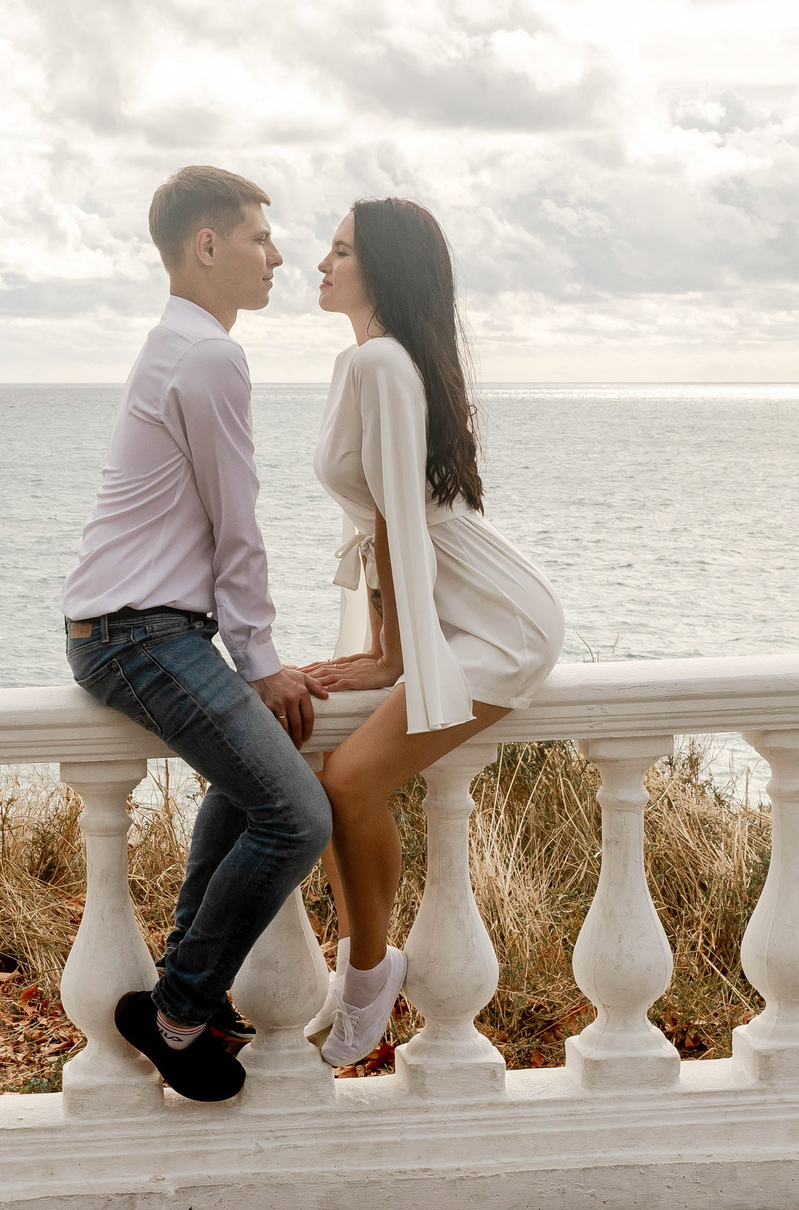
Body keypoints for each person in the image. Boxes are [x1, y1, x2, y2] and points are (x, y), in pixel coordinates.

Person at [63, 166, 332, 1104]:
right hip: (136, 637)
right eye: (261, 236)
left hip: (138, 628)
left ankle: (185, 1000)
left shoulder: (182, 342)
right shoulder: (208, 354)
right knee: (298, 817)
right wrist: (261, 661)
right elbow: (236, 521)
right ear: (207, 246)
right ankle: (179, 1008)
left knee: (254, 788)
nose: (279, 255)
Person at [301, 197, 566, 1068]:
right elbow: (386, 516)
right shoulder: (375, 360)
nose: (321, 262)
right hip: (457, 607)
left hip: (498, 622)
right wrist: (386, 642)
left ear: (381, 268)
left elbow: (400, 522)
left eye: (340, 250)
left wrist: (391, 652)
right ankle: (363, 970)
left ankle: (370, 973)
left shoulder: (381, 361)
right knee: (340, 782)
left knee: (345, 781)